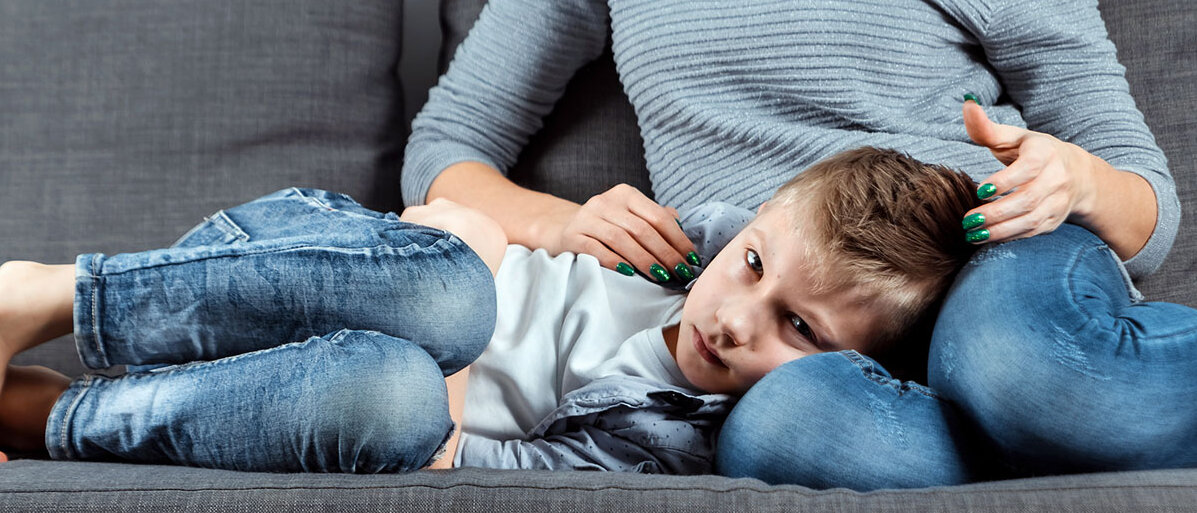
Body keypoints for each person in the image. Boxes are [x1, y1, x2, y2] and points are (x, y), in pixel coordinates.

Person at [402, 0, 1195, 490]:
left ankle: (1056, 413)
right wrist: (555, 222)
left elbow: (1148, 212)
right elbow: (449, 143)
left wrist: (1081, 183)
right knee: (797, 434)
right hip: (775, 303)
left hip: (985, 246)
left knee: (1034, 372)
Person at [0, 147, 980, 472]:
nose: (737, 315)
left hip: (329, 396)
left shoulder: (675, 440)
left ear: (853, 373)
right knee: (452, 281)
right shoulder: (683, 249)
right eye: (754, 264)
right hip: (299, 268)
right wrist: (483, 236)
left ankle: (43, 416)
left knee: (401, 393)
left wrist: (454, 353)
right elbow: (438, 219)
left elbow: (466, 468)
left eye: (798, 330)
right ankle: (47, 294)